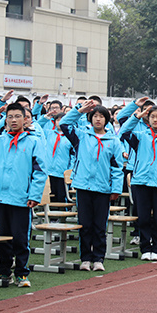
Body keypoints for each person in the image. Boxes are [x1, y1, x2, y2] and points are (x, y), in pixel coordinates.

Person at [0, 97, 47, 287]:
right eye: (10, 117)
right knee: (1, 236)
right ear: (5, 120)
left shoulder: (33, 141)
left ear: (25, 119)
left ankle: (22, 273)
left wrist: (34, 195)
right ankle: (3, 271)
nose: (13, 120)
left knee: (20, 237)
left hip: (20, 197)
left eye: (17, 116)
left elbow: (40, 171)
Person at [60, 100, 124, 271]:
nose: (98, 120)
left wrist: (116, 189)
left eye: (102, 117)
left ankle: (98, 259)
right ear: (90, 118)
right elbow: (64, 124)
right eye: (95, 116)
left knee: (99, 226)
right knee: (85, 224)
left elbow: (117, 167)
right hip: (83, 187)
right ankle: (85, 258)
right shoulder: (81, 136)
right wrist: (79, 111)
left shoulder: (113, 141)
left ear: (107, 120)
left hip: (103, 189)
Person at [120, 105, 157, 261]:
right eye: (152, 116)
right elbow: (124, 131)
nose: (155, 119)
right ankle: (145, 248)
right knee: (144, 217)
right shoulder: (140, 136)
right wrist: (137, 116)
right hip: (141, 182)